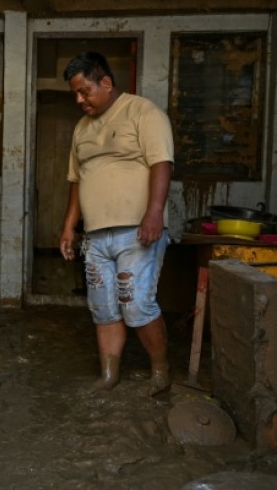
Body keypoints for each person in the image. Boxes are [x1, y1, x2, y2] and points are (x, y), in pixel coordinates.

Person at [59, 51, 174, 396]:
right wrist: (69, 226)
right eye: (75, 94)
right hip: (95, 236)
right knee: (104, 308)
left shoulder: (143, 112)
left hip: (136, 231)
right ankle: (109, 375)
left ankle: (161, 372)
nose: (79, 100)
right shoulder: (82, 128)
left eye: (84, 91)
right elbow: (77, 180)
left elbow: (161, 163)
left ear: (106, 83)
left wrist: (154, 213)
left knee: (136, 304)